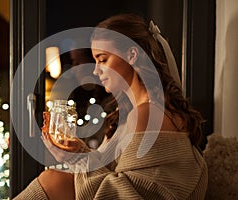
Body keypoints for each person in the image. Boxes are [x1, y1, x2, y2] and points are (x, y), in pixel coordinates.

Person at [14, 13, 208, 200]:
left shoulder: (147, 114)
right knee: (53, 177)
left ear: (132, 55)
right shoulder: (134, 112)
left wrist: (77, 159)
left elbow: (126, 192)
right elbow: (117, 173)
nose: (96, 70)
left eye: (103, 59)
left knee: (53, 179)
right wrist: (79, 151)